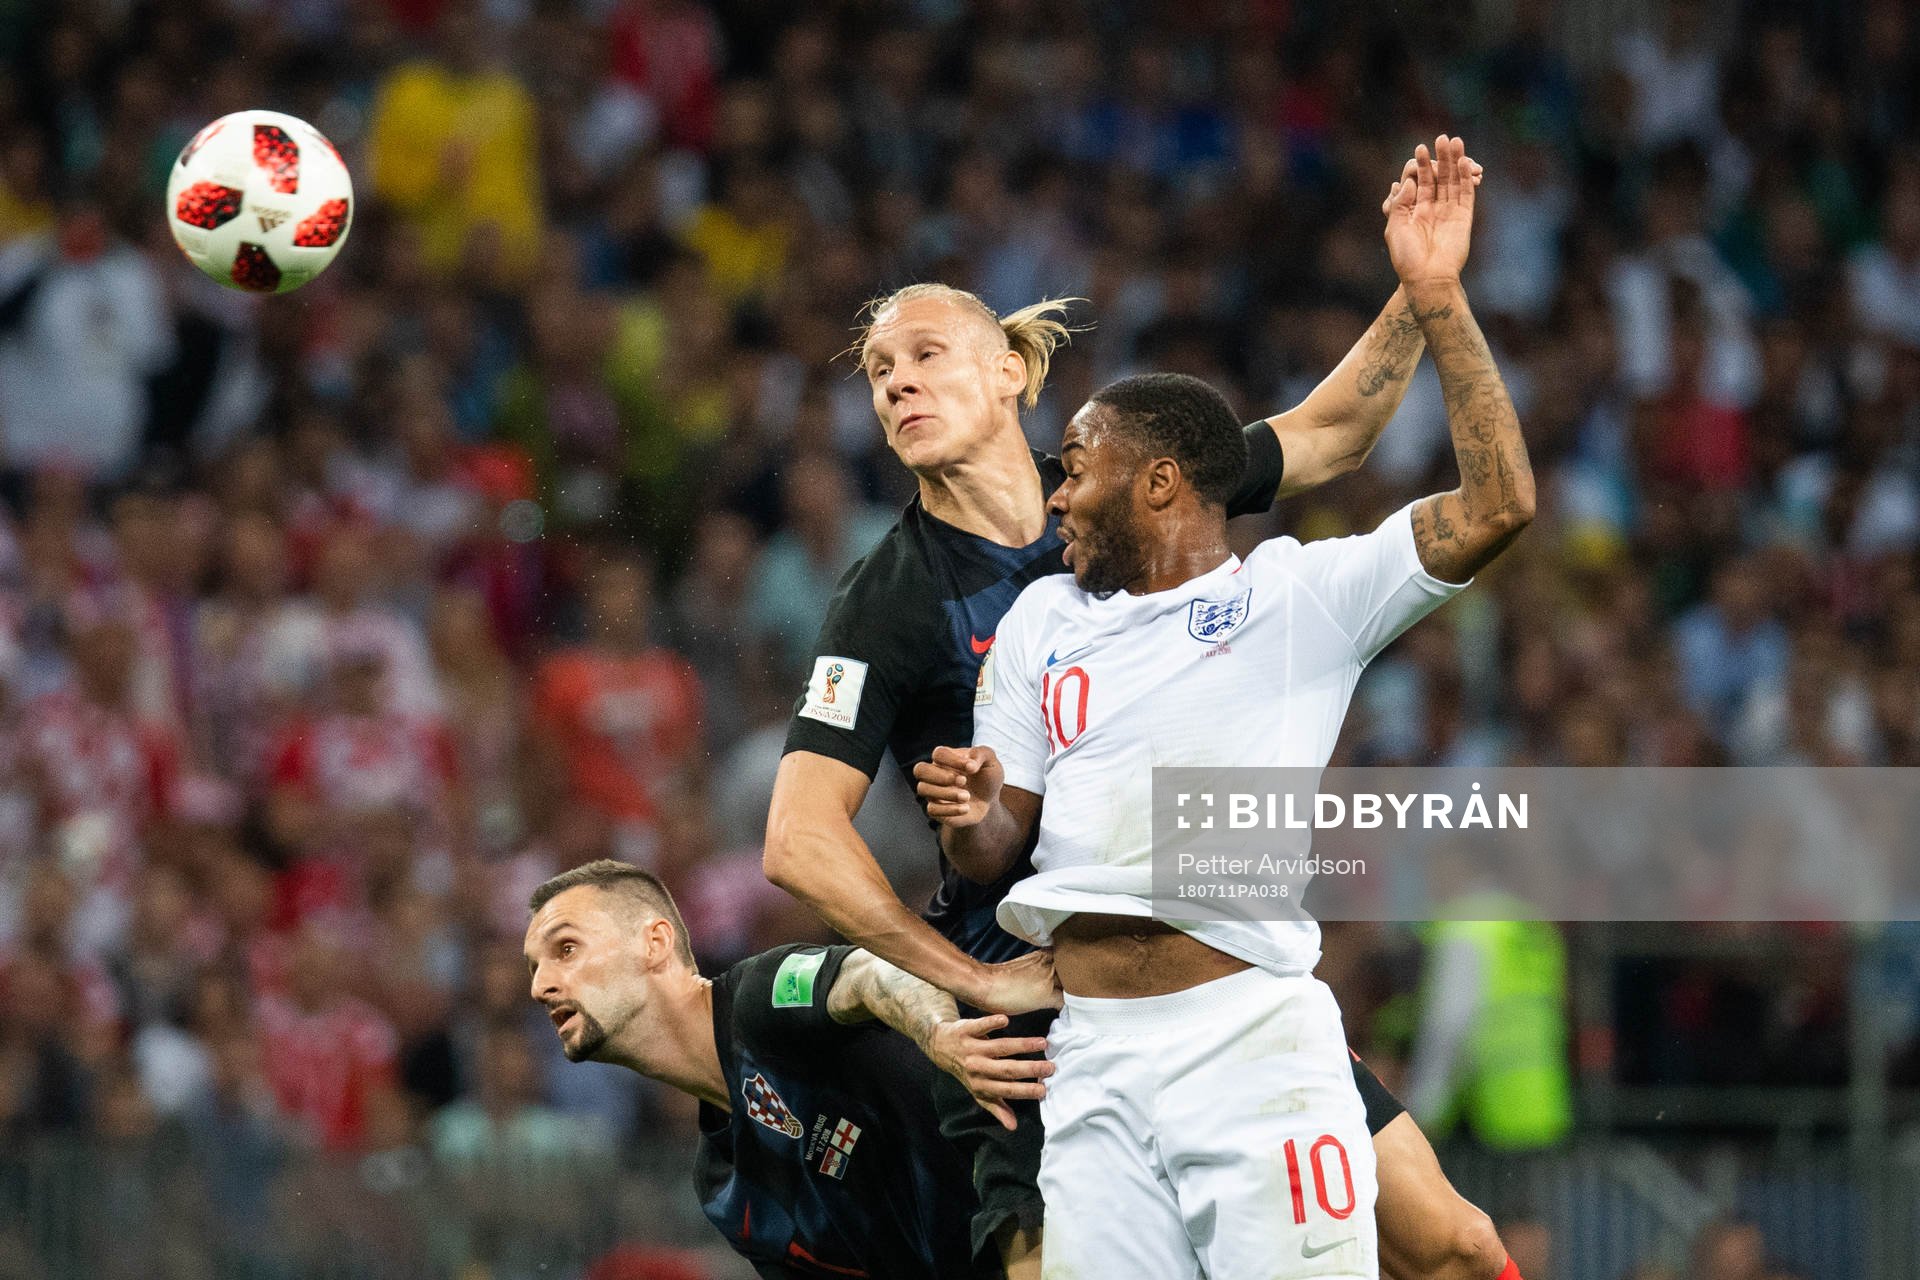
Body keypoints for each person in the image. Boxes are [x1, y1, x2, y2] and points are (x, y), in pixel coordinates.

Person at [765, 143, 1514, 1279]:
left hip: (1217, 965)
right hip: (1040, 1002)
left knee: (1452, 1242)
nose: (896, 384)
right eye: (876, 372)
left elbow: (1333, 431)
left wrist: (1421, 292)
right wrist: (962, 982)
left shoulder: (1127, 489)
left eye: (924, 354)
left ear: (1011, 370)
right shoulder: (893, 594)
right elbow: (799, 837)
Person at [524, 858, 1054, 1280]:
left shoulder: (761, 998)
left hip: (1057, 1222)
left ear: (655, 943)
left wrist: (938, 1033)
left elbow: (878, 974)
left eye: (565, 949)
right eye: (535, 966)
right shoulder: (722, 1187)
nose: (539, 985)